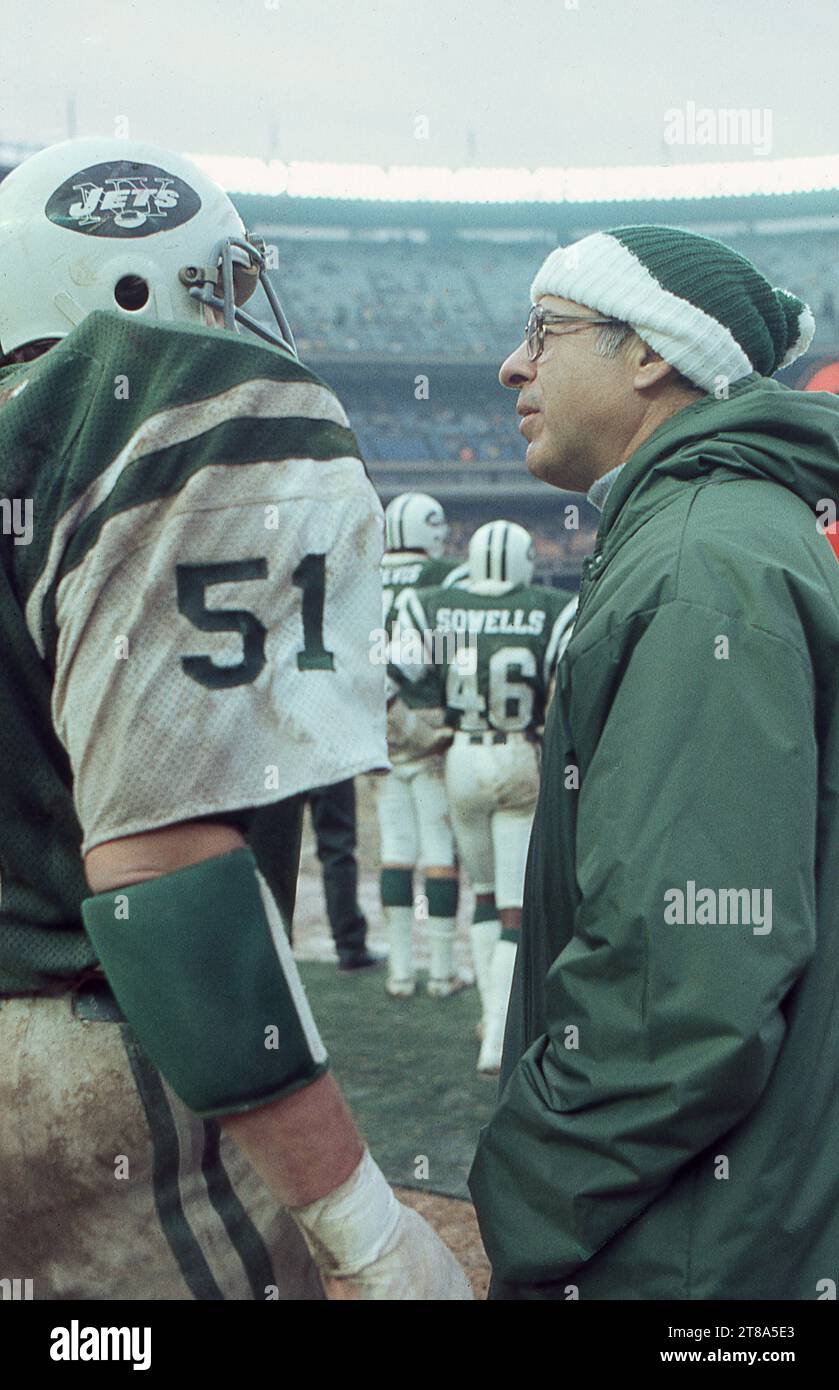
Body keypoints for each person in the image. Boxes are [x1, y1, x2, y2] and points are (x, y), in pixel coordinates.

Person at [0, 137, 471, 1301]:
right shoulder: (153, 423)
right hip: (98, 1047)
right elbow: (164, 876)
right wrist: (364, 1225)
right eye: (226, 281)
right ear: (140, 282)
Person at [468, 223, 839, 1301]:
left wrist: (526, 1190)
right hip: (725, 1219)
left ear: (649, 354)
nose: (511, 364)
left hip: (683, 1249)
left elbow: (680, 984)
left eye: (544, 330)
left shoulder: (698, 564)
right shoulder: (709, 534)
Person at [393, 520, 575, 1073]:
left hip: (461, 756)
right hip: (518, 752)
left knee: (485, 893)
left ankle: (488, 1015)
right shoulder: (550, 606)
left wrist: (428, 719)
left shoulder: (434, 604)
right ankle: (499, 1031)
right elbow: (568, 684)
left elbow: (401, 669)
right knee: (516, 906)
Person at [377, 492, 469, 998]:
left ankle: (397, 972)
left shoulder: (363, 572)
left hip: (374, 718)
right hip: (428, 717)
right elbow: (453, 647)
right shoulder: (443, 577)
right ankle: (440, 970)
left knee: (394, 848)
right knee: (438, 850)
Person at [303, 780, 382, 972]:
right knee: (337, 850)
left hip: (281, 761)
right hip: (328, 761)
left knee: (276, 855)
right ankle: (350, 947)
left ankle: (278, 945)